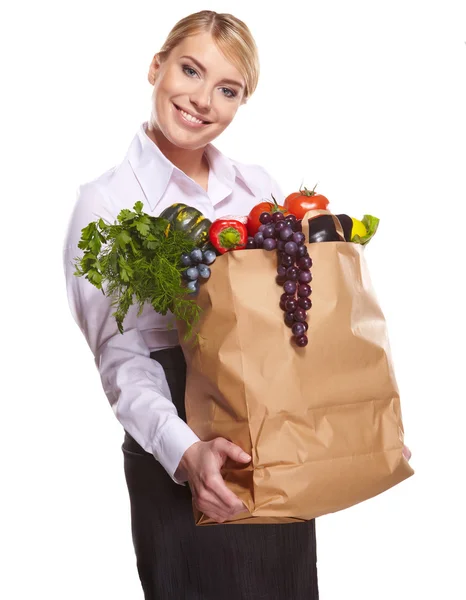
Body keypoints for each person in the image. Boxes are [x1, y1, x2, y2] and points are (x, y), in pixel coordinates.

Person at [63, 9, 411, 600]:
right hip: (183, 442)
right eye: (190, 71)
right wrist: (187, 452)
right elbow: (122, 360)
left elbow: (300, 318)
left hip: (271, 431)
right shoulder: (107, 202)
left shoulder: (259, 187)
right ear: (156, 67)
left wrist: (357, 421)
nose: (202, 100)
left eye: (227, 89)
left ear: (242, 100)